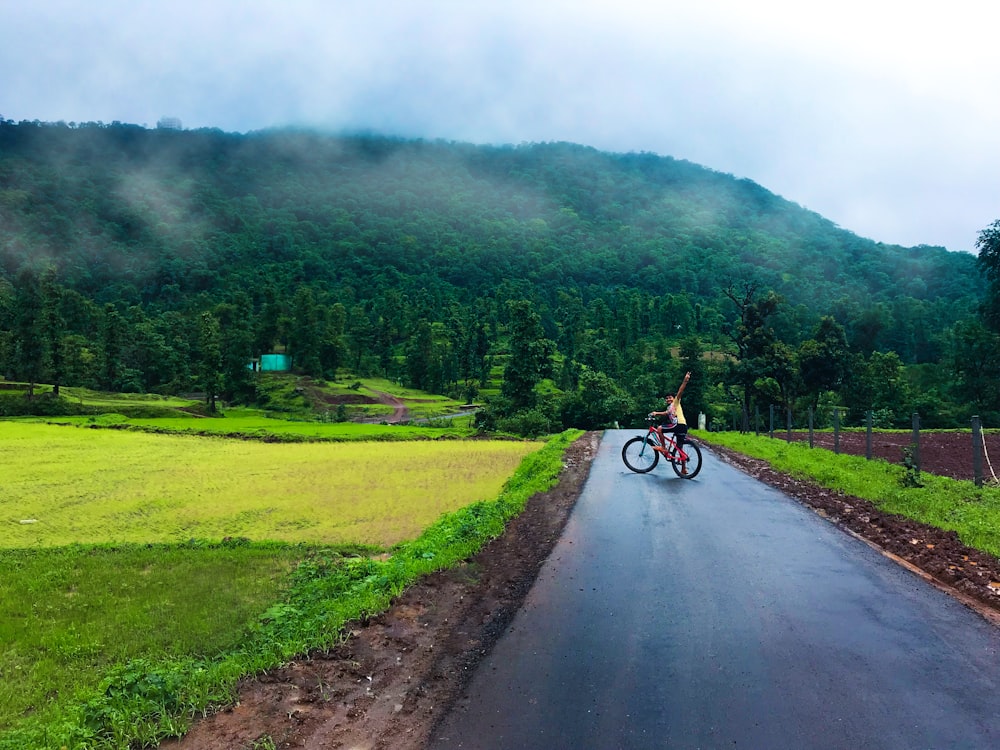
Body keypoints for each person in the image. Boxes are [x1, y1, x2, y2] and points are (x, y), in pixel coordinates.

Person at [650, 371, 691, 473]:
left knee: (659, 428)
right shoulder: (670, 408)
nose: (668, 399)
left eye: (670, 398)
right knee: (680, 447)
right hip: (683, 426)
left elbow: (680, 391)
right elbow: (666, 413)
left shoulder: (676, 402)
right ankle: (683, 469)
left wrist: (685, 381)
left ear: (674, 398)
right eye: (667, 398)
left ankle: (664, 448)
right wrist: (656, 413)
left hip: (678, 424)